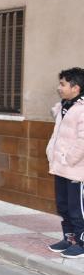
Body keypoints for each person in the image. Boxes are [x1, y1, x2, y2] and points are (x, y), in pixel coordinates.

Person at [46, 67, 84, 258]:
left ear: (76, 88)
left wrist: (68, 159)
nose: (59, 87)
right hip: (60, 167)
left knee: (78, 209)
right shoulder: (65, 106)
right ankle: (69, 239)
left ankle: (82, 242)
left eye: (63, 84)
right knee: (63, 206)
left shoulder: (83, 109)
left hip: (77, 170)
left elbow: (82, 141)